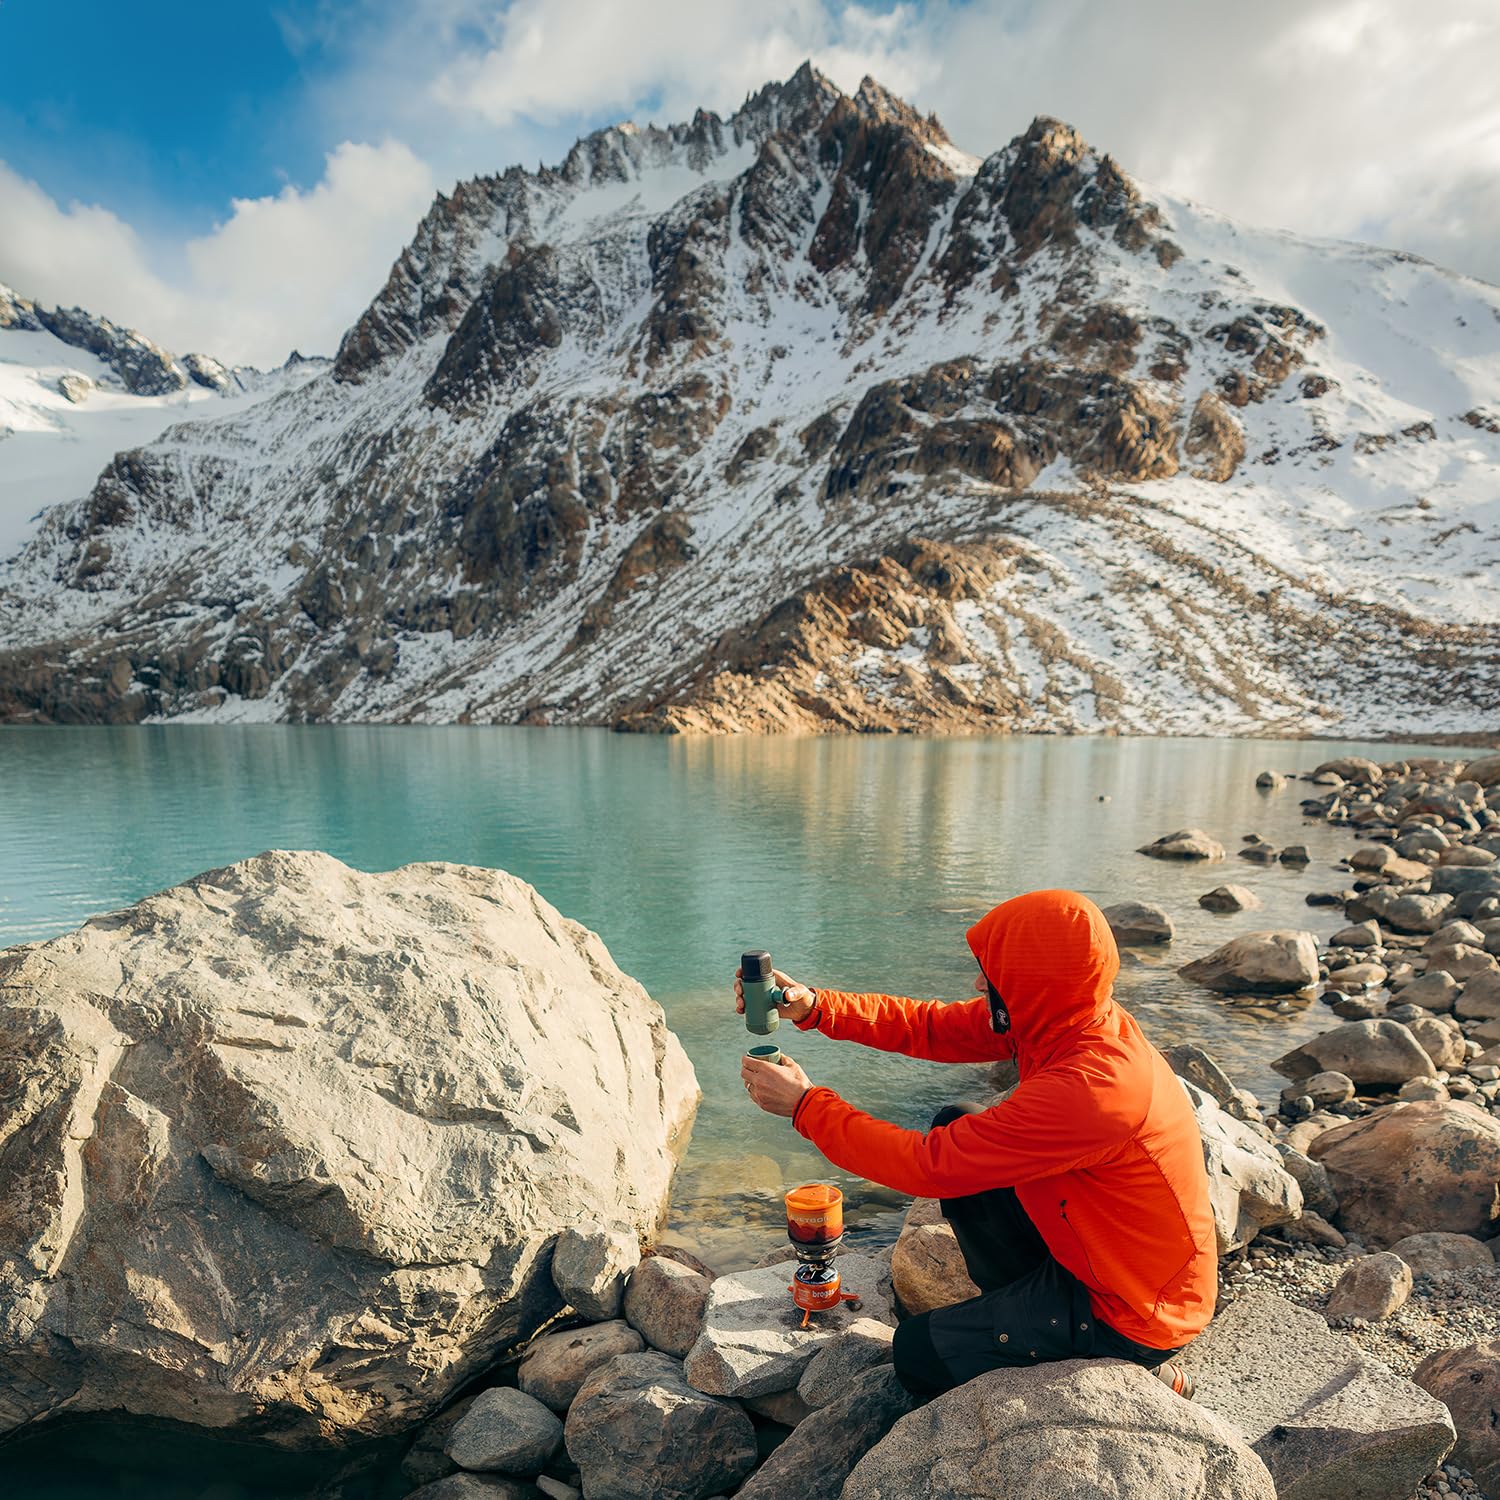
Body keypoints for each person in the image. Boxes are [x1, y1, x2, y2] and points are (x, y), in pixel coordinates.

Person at [737, 888, 1215, 1398]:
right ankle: (1020, 1309)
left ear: (1032, 981)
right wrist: (816, 1009)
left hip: (1135, 1309)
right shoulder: (1066, 1020)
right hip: (1101, 1255)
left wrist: (807, 1107)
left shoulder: (1095, 1088)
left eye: (992, 973)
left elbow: (927, 1167)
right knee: (956, 1121)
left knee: (918, 1355)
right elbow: (935, 1027)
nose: (978, 982)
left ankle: (1130, 1365)